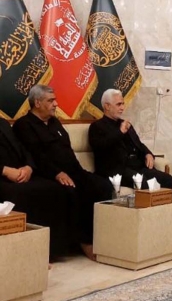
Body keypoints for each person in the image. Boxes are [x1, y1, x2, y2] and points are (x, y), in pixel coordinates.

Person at [12, 84, 112, 260]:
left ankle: (101, 238)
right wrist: (57, 173)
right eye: (51, 101)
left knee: (102, 186)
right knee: (71, 192)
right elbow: (36, 156)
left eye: (55, 100)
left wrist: (79, 172)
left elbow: (67, 150)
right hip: (49, 174)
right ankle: (82, 242)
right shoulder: (24, 125)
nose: (56, 104)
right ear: (37, 103)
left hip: (74, 171)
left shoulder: (55, 122)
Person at [0, 117, 78, 259]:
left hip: (20, 173)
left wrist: (28, 167)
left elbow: (22, 148)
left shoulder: (3, 123)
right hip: (3, 177)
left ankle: (50, 251)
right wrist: (5, 170)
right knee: (19, 193)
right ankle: (25, 254)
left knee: (54, 189)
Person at [88, 89, 172, 191]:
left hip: (137, 166)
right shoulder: (97, 126)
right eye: (119, 104)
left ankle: (167, 203)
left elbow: (139, 144)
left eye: (123, 104)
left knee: (167, 179)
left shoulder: (125, 124)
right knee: (141, 181)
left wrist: (148, 154)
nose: (122, 108)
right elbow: (100, 146)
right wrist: (120, 132)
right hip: (117, 170)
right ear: (107, 106)